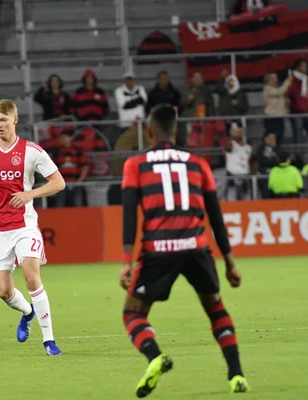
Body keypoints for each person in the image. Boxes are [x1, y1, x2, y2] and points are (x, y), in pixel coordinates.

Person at [120, 105, 250, 396]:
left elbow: (129, 213)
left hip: (158, 250)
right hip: (196, 247)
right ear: (176, 130)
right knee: (215, 309)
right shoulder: (198, 163)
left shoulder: (135, 164)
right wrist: (229, 262)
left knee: (133, 313)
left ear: (150, 130)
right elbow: (215, 215)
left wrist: (127, 261)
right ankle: (236, 375)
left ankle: (155, 357)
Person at [0, 99, 66, 356]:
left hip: (24, 226)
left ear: (15, 120)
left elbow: (58, 183)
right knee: (3, 291)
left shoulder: (32, 151)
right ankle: (27, 311)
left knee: (32, 277)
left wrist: (29, 194)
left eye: (3, 120)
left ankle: (49, 340)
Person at [50, 131, 89, 207]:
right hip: (60, 184)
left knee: (78, 204)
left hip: (75, 183)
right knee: (59, 205)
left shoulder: (77, 150)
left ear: (70, 138)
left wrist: (80, 180)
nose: (63, 140)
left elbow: (84, 166)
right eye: (61, 138)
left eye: (64, 138)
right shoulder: (56, 151)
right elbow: (51, 168)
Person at [288, 59, 308, 143]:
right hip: (297, 114)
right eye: (304, 66)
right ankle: (299, 156)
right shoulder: (292, 80)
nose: (306, 68)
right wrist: (296, 107)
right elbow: (288, 95)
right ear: (298, 67)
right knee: (298, 138)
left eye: (306, 66)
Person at [224, 123, 252, 201]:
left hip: (245, 176)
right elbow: (227, 147)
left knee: (246, 199)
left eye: (241, 132)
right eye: (238, 132)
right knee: (231, 199)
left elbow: (248, 162)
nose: (240, 134)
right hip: (232, 176)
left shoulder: (248, 147)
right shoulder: (231, 144)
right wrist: (232, 135)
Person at [263, 73, 292, 145]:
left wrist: (286, 101)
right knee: (271, 138)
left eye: (275, 78)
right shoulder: (267, 88)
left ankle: (277, 154)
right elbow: (279, 92)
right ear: (268, 80)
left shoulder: (278, 89)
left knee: (279, 137)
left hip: (280, 116)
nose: (274, 80)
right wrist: (288, 81)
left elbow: (282, 98)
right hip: (271, 117)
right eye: (272, 78)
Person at [254, 131, 279, 199]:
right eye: (271, 138)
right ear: (265, 139)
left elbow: (278, 162)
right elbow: (261, 161)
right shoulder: (260, 149)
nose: (273, 140)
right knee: (266, 197)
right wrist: (272, 161)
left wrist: (269, 161)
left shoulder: (277, 150)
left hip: (276, 177)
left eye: (274, 138)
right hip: (264, 177)